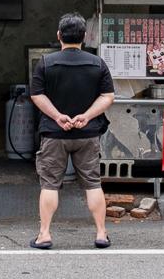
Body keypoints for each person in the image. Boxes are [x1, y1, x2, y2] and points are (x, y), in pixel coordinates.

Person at [27, 13, 115, 250]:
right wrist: (86, 116)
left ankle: (44, 234)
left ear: (59, 36)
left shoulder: (46, 63)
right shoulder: (98, 63)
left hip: (54, 134)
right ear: (84, 37)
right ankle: (101, 233)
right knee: (93, 183)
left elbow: (37, 95)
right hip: (87, 134)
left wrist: (57, 117)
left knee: (49, 184)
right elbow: (108, 96)